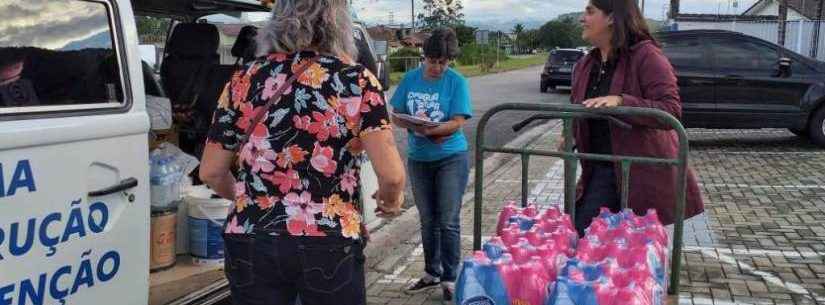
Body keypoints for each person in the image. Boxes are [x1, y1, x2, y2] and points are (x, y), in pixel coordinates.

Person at [198, 1, 406, 304]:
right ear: (339, 24)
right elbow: (392, 176)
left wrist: (252, 200)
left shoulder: (243, 80)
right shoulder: (356, 80)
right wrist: (390, 201)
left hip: (251, 236)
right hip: (330, 240)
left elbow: (211, 172)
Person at [569, 0, 704, 235]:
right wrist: (570, 134)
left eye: (590, 12)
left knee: (584, 237)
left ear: (612, 18)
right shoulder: (585, 64)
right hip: (597, 168)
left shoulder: (646, 56)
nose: (583, 18)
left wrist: (622, 101)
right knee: (591, 242)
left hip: (636, 174)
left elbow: (671, 110)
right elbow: (582, 109)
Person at [389, 28, 472, 304]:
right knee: (427, 221)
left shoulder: (456, 82)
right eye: (432, 60)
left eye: (443, 62)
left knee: (448, 220)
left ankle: (450, 277)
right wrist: (412, 123)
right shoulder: (411, 79)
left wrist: (434, 129)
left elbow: (459, 120)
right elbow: (396, 115)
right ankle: (431, 272)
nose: (437, 67)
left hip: (451, 156)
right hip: (419, 158)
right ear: (423, 57)